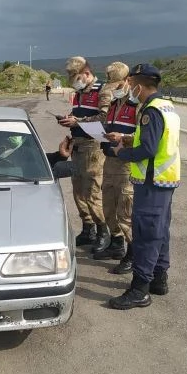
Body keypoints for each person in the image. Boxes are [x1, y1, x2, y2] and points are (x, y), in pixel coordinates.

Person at [107, 63, 180, 310]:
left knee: (146, 234)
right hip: (164, 179)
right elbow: (154, 139)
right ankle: (159, 279)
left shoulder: (151, 111)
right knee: (160, 231)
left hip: (151, 181)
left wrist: (121, 151)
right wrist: (126, 138)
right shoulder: (166, 106)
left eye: (131, 84)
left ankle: (139, 289)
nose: (129, 89)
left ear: (138, 85)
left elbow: (148, 149)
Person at [57, 56, 112, 252]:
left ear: (87, 74)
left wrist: (78, 122)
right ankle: (88, 228)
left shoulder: (103, 90)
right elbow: (80, 115)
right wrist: (69, 120)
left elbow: (105, 118)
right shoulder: (80, 93)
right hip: (78, 146)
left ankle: (103, 232)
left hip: (93, 147)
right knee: (78, 192)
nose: (74, 81)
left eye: (76, 77)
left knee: (92, 192)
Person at [94, 62, 137, 274]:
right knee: (108, 208)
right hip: (110, 161)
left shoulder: (137, 105)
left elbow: (143, 137)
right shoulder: (113, 104)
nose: (114, 90)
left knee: (125, 212)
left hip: (127, 166)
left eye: (117, 85)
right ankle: (117, 244)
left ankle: (133, 254)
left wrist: (124, 138)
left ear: (127, 81)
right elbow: (107, 126)